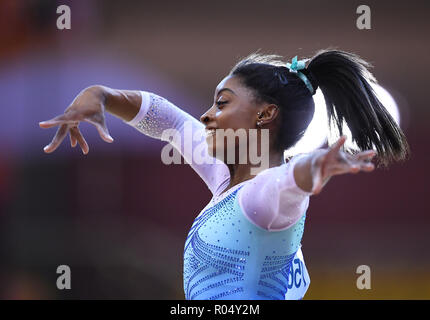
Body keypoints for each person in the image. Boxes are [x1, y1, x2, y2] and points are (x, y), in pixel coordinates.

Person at [39, 49, 409, 300]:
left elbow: (288, 183)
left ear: (265, 114)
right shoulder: (227, 181)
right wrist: (99, 94)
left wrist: (315, 167)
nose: (206, 115)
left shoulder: (261, 199)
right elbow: (167, 119)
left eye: (222, 103)